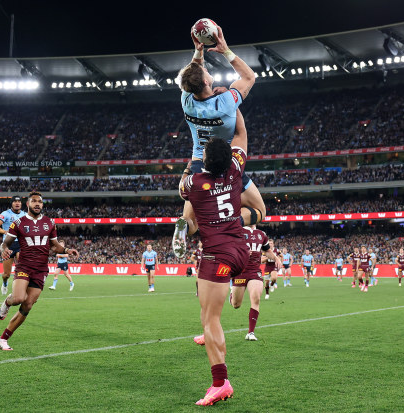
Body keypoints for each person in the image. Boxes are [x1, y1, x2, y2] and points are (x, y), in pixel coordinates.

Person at [172, 24, 265, 259]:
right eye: (203, 72)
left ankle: (184, 227)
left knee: (190, 220)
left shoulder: (186, 101)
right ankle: (228, 219)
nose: (205, 71)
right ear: (205, 83)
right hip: (227, 165)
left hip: (197, 166)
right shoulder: (226, 103)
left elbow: (193, 73)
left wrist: (198, 52)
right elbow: (249, 77)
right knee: (259, 211)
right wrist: (225, 51)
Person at [179, 114, 250, 405]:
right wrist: (232, 105)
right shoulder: (235, 170)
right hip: (240, 247)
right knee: (209, 318)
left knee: (210, 319)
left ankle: (220, 382)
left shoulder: (194, 182)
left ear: (205, 160)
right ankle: (220, 377)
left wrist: (190, 162)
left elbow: (183, 187)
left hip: (216, 252)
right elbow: (242, 133)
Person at [0, 191, 79, 351]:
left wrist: (67, 249)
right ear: (28, 204)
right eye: (34, 201)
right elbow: (6, 242)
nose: (37, 204)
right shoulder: (18, 223)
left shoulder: (50, 222)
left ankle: (3, 339)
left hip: (41, 269)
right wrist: (3, 249)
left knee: (27, 306)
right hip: (24, 266)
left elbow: (54, 246)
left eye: (40, 201)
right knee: (19, 298)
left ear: (42, 204)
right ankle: (8, 301)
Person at [230, 225, 278, 341]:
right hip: (240, 271)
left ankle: (251, 332)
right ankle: (232, 295)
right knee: (236, 305)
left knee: (256, 298)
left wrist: (277, 259)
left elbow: (267, 251)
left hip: (255, 272)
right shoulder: (237, 230)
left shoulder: (261, 234)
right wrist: (242, 253)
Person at [0, 195, 26, 294]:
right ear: (12, 203)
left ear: (21, 204)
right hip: (8, 245)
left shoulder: (25, 215)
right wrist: (5, 232)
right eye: (15, 201)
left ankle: (19, 289)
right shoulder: (5, 214)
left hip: (21, 244)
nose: (17, 203)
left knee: (21, 268)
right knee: (6, 274)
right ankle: (5, 283)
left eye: (19, 202)